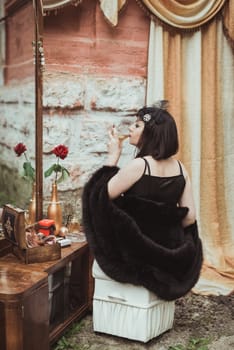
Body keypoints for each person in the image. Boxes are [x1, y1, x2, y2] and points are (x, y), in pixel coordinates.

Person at [82, 101, 203, 301]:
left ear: (151, 133)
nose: (130, 128)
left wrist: (113, 157)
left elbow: (98, 197)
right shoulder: (181, 169)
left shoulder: (139, 165)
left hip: (134, 253)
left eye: (137, 125)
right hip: (168, 253)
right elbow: (190, 218)